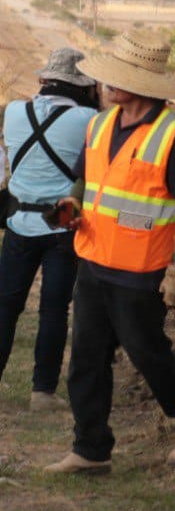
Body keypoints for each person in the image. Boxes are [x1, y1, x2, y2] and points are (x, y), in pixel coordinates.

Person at [44, 31, 175, 475]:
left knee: (148, 352)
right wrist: (71, 205)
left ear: (143, 85)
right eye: (108, 78)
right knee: (85, 358)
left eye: (118, 78)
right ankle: (90, 449)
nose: (107, 85)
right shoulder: (99, 124)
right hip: (94, 261)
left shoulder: (173, 135)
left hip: (141, 271)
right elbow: (85, 180)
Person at [0, 48, 98, 411]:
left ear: (44, 81)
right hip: (61, 227)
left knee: (5, 306)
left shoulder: (12, 111)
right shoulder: (90, 119)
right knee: (54, 310)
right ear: (82, 86)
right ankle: (42, 392)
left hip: (18, 225)